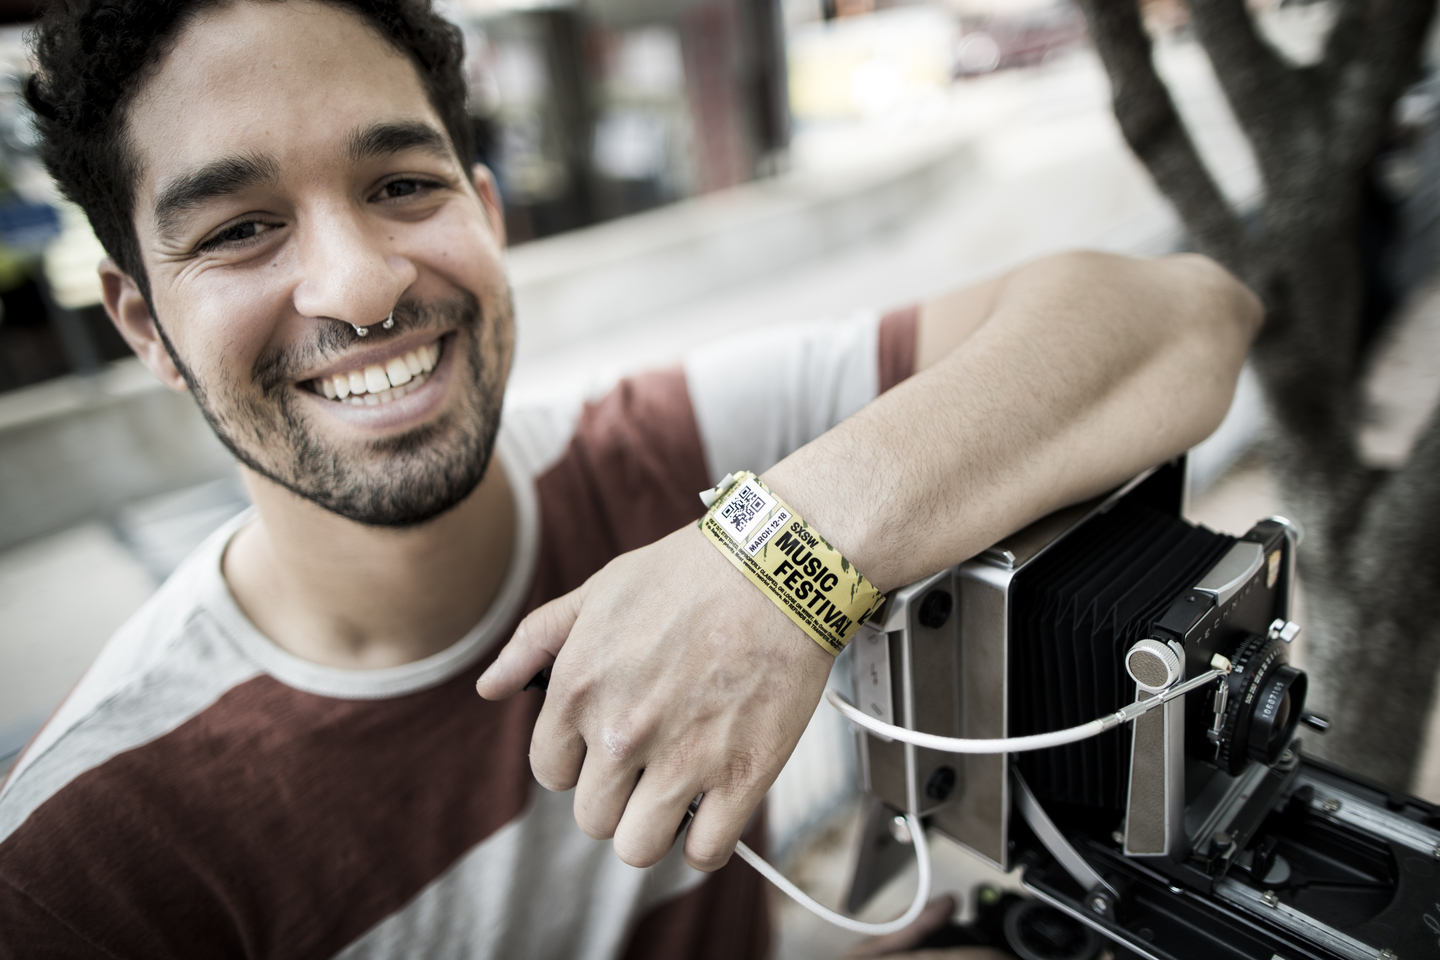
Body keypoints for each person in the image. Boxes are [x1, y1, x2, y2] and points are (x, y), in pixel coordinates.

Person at [0, 0, 1261, 956]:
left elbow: (1182, 316)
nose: (362, 284)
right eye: (238, 229)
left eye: (400, 186)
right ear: (142, 323)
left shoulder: (674, 447)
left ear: (487, 214)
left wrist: (777, 565)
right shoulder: (83, 858)